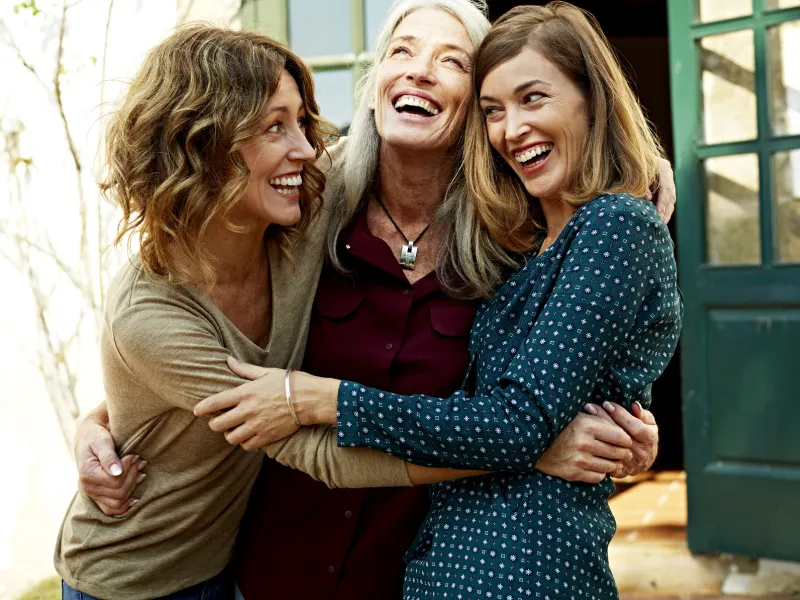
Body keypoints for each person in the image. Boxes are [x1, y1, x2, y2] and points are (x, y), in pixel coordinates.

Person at [73, 1, 674, 598]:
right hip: (268, 572)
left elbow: (551, 377)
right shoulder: (307, 210)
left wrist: (590, 428)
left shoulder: (514, 239)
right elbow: (192, 319)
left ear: (474, 110)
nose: (418, 70)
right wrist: (102, 420)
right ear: (375, 82)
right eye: (402, 50)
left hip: (407, 575)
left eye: (451, 61)